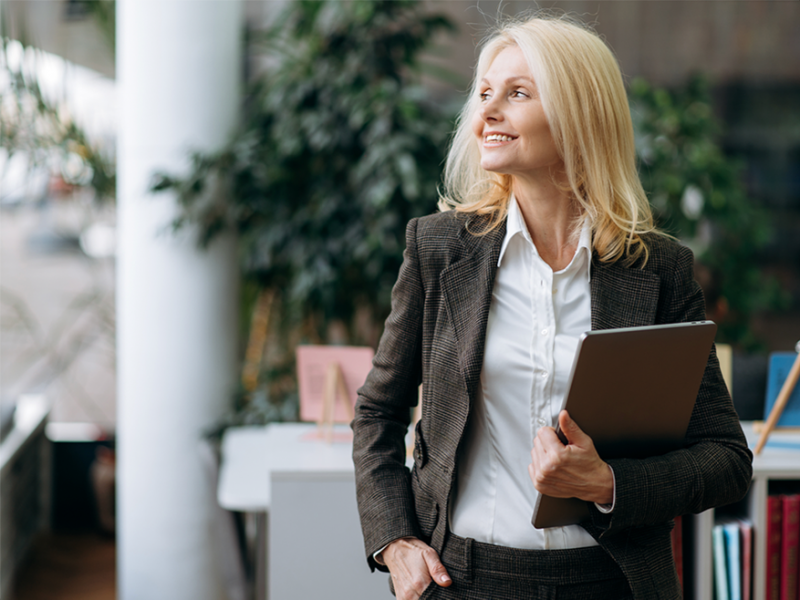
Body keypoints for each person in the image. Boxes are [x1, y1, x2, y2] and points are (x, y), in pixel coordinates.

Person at [352, 14, 752, 600]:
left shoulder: (657, 268)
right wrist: (394, 541)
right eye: (484, 93)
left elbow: (725, 459)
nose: (486, 111)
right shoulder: (437, 250)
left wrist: (608, 482)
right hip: (463, 579)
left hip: (612, 582)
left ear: (579, 114)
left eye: (517, 93)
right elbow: (376, 413)